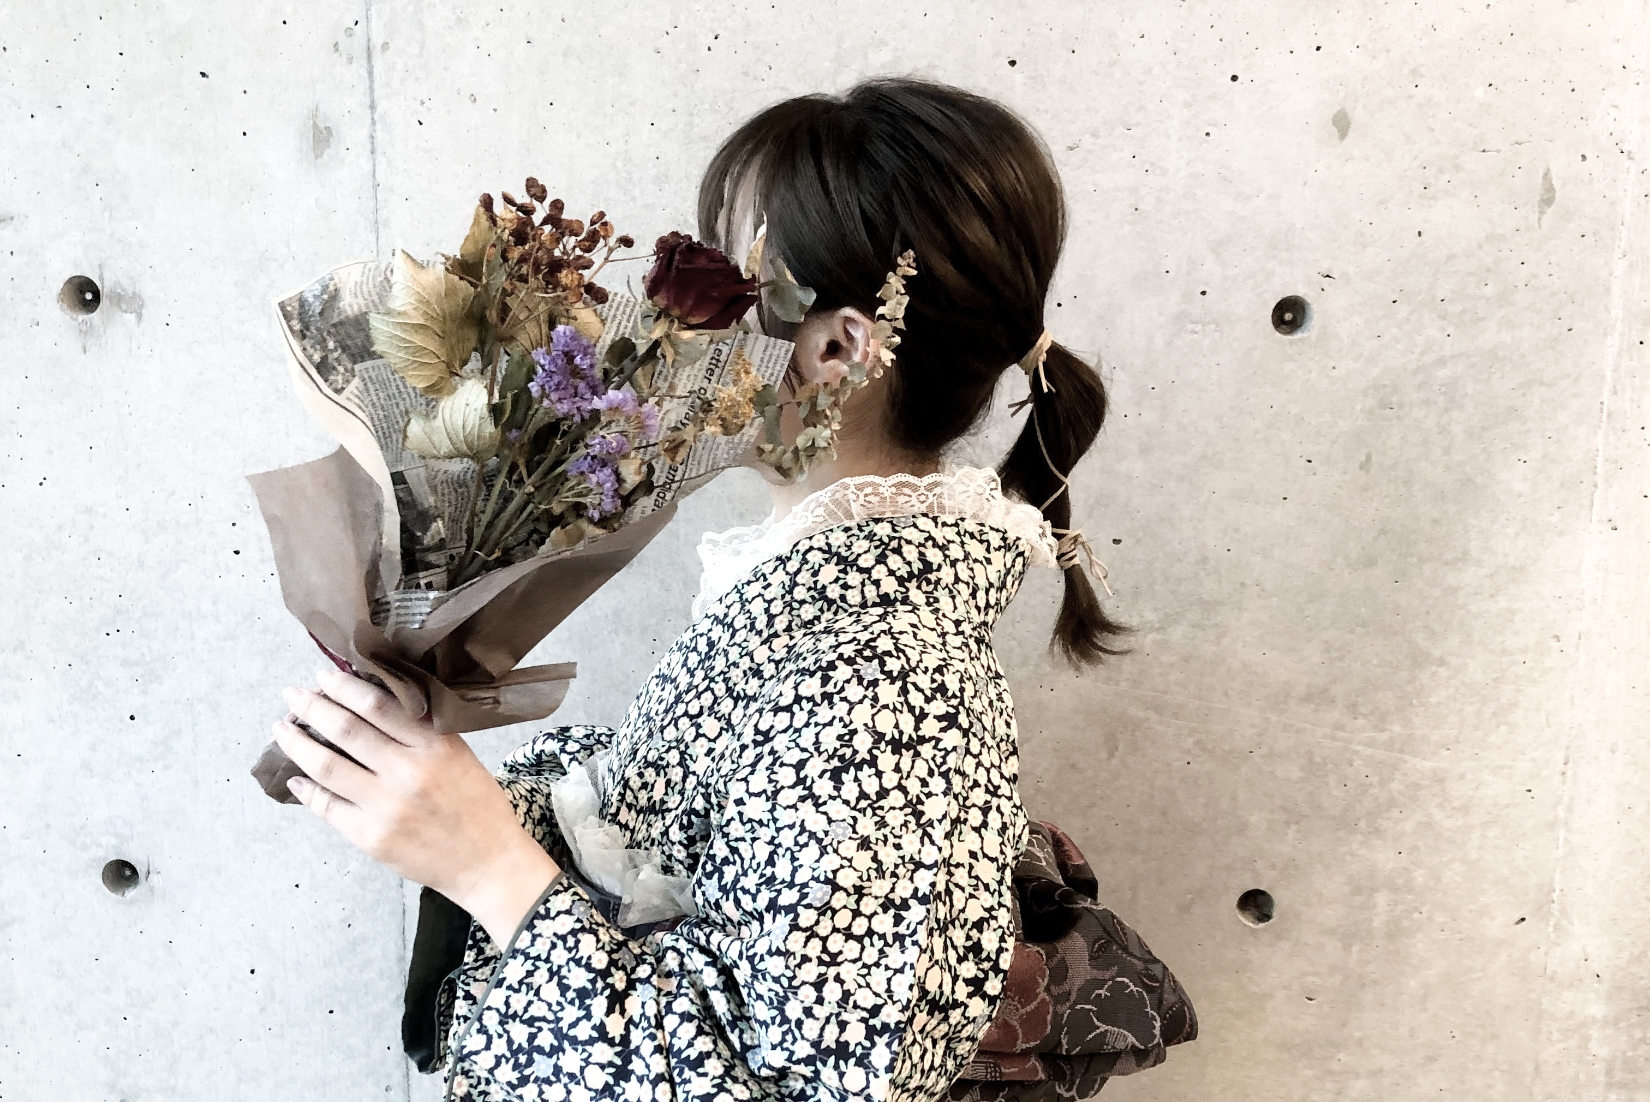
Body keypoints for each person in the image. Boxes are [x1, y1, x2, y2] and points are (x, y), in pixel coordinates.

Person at [273, 76, 1135, 1102]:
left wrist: (491, 867)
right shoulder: (833, 607)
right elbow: (687, 852)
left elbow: (797, 1088)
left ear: (837, 349)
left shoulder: (890, 680)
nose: (679, 318)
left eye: (729, 278)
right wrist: (446, 799)